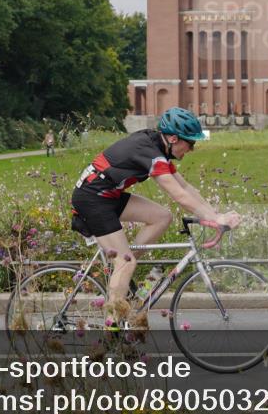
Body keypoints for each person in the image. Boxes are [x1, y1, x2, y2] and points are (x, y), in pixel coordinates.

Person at [71, 107, 240, 327]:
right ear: (173, 138)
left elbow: (185, 187)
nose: (191, 149)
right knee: (125, 262)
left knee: (162, 217)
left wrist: (215, 215)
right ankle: (112, 330)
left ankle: (123, 274)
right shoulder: (150, 153)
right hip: (92, 198)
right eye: (190, 143)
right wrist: (216, 220)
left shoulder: (158, 147)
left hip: (107, 195)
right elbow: (179, 195)